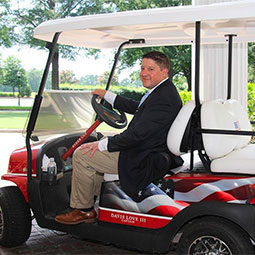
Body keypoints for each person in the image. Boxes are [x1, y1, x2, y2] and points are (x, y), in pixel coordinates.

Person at [55, 50, 183, 225]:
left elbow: (137, 135)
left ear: (164, 71)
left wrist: (104, 144)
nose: (144, 73)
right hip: (148, 149)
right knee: (93, 150)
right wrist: (108, 96)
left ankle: (83, 210)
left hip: (143, 157)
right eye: (143, 68)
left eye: (151, 69)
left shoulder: (163, 98)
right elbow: (138, 107)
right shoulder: (162, 91)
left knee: (81, 154)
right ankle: (96, 200)